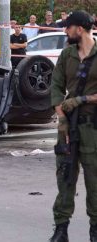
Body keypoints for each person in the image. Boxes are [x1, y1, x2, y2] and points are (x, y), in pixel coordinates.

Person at [49, 10, 97, 242]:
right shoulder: (67, 55)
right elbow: (56, 87)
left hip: (93, 129)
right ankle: (61, 229)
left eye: (68, 27)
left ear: (79, 28)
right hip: (68, 127)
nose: (65, 31)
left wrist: (81, 100)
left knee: (95, 181)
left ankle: (95, 230)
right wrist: (62, 119)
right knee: (65, 177)